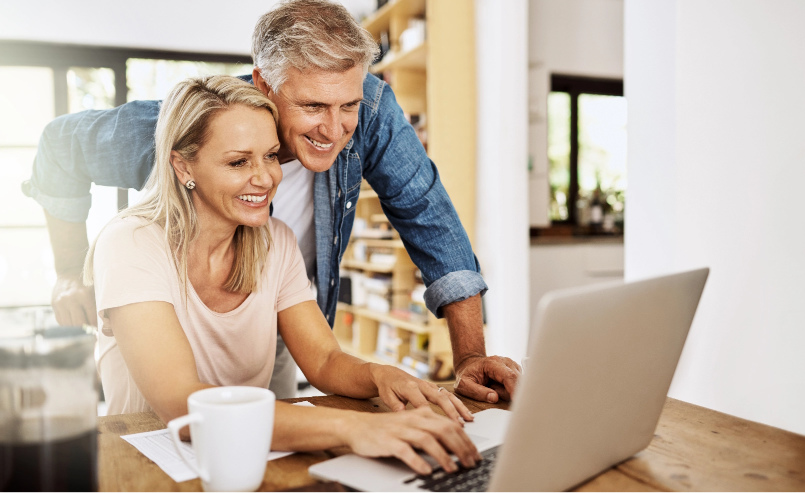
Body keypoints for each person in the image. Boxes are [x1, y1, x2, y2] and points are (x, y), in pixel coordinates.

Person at [24, 0, 520, 403]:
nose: (335, 128)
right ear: (264, 83)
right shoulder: (189, 125)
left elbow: (428, 215)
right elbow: (59, 148)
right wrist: (70, 269)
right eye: (312, 107)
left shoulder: (367, 109)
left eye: (347, 104)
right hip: (168, 318)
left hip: (280, 321)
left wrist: (469, 358)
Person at [87, 74, 481, 475]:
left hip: (248, 463)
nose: (265, 178)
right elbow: (184, 404)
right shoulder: (131, 242)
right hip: (147, 471)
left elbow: (324, 360)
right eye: (238, 161)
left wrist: (381, 375)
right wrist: (356, 427)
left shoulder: (275, 241)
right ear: (182, 165)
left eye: (271, 156)